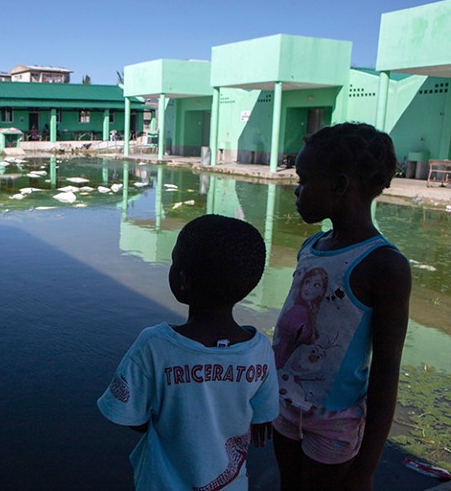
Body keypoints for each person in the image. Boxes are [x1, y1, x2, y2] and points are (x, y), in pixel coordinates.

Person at [271, 123, 412, 491]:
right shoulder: (312, 246)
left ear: (339, 185)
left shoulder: (384, 266)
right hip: (284, 403)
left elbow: (385, 371)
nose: (296, 191)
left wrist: (366, 467)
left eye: (303, 180)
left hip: (334, 420)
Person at [98, 214, 279, 491]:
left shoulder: (155, 345)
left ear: (183, 279)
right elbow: (263, 417)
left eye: (173, 261)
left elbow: (131, 417)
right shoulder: (259, 348)